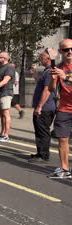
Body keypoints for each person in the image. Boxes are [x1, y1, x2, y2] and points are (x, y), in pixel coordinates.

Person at [48, 39, 72, 178]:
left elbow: (66, 78)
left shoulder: (64, 71)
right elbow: (52, 89)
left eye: (71, 49)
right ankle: (64, 168)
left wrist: (66, 77)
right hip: (64, 108)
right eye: (66, 49)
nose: (70, 52)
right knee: (62, 139)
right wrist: (53, 79)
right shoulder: (58, 67)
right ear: (60, 51)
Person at [28, 49, 55, 163]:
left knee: (43, 131)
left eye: (42, 56)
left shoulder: (50, 72)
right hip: (44, 107)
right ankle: (40, 152)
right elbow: (41, 82)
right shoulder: (46, 71)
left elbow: (46, 90)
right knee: (39, 131)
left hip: (45, 108)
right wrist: (34, 74)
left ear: (49, 58)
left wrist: (39, 106)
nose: (40, 58)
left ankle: (43, 155)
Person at [0, 52, 16, 142]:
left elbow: (5, 80)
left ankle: (6, 135)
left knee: (6, 113)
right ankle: (2, 133)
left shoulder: (9, 67)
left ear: (4, 58)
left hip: (6, 92)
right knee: (2, 115)